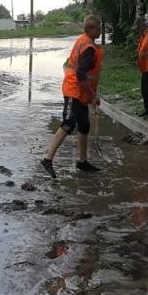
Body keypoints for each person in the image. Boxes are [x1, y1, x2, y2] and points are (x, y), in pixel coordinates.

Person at [41, 15, 103, 179]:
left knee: (84, 124)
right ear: (90, 29)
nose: (100, 30)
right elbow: (81, 73)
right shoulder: (88, 47)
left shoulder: (84, 42)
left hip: (80, 92)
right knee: (68, 124)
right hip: (74, 90)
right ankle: (48, 159)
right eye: (98, 28)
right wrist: (93, 95)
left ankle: (82, 161)